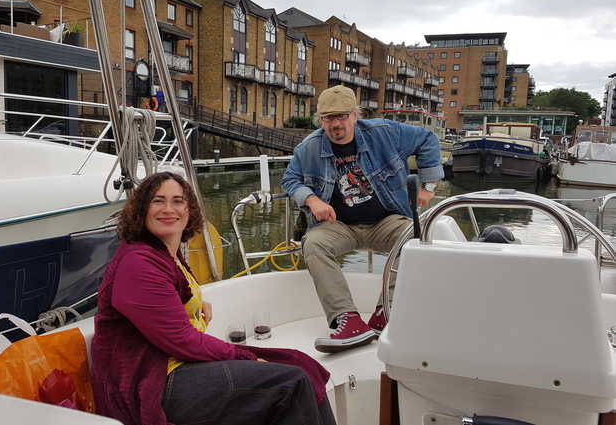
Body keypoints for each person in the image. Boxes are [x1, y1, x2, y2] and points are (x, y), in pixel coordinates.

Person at [91, 171, 336, 425]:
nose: (168, 209)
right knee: (291, 383)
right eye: (157, 201)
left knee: (301, 364)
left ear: (189, 211)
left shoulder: (165, 255)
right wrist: (246, 358)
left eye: (177, 201)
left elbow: (167, 301)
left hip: (177, 365)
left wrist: (192, 305)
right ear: (142, 210)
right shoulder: (138, 264)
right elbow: (181, 340)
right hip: (157, 382)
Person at [281, 85, 443, 353]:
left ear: (356, 115)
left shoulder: (385, 133)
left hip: (386, 220)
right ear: (321, 121)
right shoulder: (308, 148)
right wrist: (312, 200)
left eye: (342, 116)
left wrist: (428, 188)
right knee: (313, 244)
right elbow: (290, 179)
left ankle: (385, 313)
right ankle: (348, 319)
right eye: (328, 118)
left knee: (414, 238)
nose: (336, 124)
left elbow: (428, 139)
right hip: (339, 225)